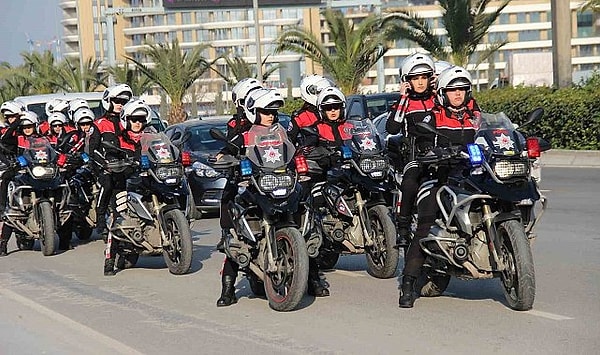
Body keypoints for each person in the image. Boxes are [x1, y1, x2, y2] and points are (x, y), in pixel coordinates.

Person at [399, 66, 479, 308]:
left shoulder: (473, 116)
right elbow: (423, 140)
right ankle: (408, 283)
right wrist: (431, 152)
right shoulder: (432, 116)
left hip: (465, 175)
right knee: (426, 222)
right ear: (443, 92)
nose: (458, 94)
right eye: (453, 90)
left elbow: (487, 134)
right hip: (437, 175)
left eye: (462, 90)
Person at [216, 88, 284, 307]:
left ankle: (309, 278)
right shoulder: (245, 134)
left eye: (273, 112)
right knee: (238, 235)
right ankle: (227, 289)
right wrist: (224, 157)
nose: (270, 116)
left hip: (278, 185)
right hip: (252, 187)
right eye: (265, 112)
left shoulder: (282, 132)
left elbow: (296, 149)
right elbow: (228, 149)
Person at [295, 86, 354, 298]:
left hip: (352, 171)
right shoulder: (316, 128)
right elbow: (306, 148)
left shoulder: (351, 126)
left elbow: (367, 140)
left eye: (337, 107)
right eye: (329, 108)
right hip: (327, 173)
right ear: (322, 110)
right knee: (314, 203)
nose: (333, 111)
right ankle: (319, 237)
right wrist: (320, 155)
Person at [385, 53, 437, 248]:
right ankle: (404, 228)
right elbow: (391, 128)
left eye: (424, 77)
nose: (420, 82)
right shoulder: (405, 103)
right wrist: (403, 98)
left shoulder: (439, 99)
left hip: (441, 153)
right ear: (407, 81)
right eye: (415, 78)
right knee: (409, 184)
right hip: (416, 157)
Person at [103, 99, 152, 276]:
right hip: (125, 183)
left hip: (149, 182)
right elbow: (110, 156)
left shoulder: (151, 136)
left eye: (141, 119)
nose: (138, 122)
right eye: (134, 119)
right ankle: (109, 259)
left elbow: (163, 150)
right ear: (126, 120)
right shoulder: (119, 139)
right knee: (117, 217)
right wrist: (115, 162)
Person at [215, 77, 263, 251]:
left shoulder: (268, 120)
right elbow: (231, 143)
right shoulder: (235, 123)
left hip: (268, 167)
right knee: (228, 193)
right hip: (243, 167)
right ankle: (227, 233)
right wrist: (223, 154)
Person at [93, 84, 133, 241]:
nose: (120, 104)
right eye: (116, 101)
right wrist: (104, 164)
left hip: (127, 165)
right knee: (108, 184)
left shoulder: (129, 122)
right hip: (106, 167)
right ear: (107, 101)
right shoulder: (100, 124)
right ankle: (101, 220)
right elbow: (92, 149)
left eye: (123, 101)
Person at [0, 111, 43, 255]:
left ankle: (65, 238)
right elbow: (5, 139)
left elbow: (53, 152)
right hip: (23, 173)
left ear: (35, 125)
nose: (27, 129)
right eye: (25, 127)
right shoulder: (18, 139)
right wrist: (17, 122)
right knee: (14, 209)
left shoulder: (43, 139)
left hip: (41, 173)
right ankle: (3, 244)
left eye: (30, 126)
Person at [286, 74, 335, 145]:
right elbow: (290, 142)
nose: (325, 94)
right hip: (315, 154)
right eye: (320, 92)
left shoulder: (334, 110)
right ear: (310, 92)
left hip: (339, 153)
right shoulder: (300, 117)